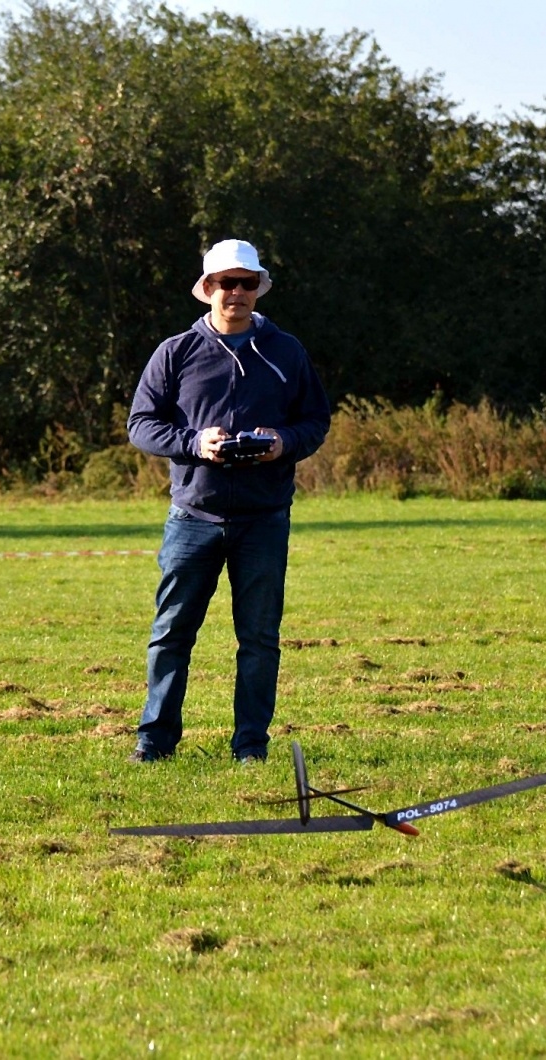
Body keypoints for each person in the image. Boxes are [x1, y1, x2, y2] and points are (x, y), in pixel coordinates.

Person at [126, 239, 331, 762]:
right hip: (193, 516)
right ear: (207, 289)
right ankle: (154, 742)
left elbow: (315, 421)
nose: (236, 292)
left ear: (258, 288)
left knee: (259, 641)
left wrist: (283, 443)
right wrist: (197, 443)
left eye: (246, 283)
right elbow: (142, 425)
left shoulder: (287, 351)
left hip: (264, 520)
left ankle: (250, 748)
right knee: (171, 634)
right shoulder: (176, 352)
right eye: (225, 283)